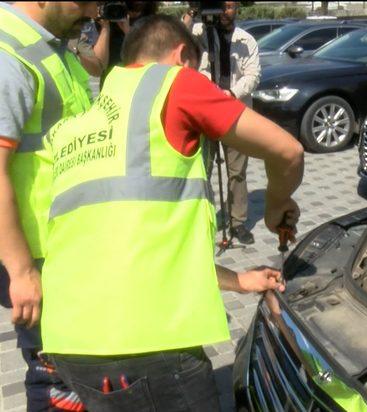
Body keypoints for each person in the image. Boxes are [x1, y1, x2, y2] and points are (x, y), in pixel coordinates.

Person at [38, 14, 303, 411]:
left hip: (67, 343)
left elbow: (131, 248)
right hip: (145, 344)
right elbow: (288, 150)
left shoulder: (74, 130)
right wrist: (279, 206)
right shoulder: (174, 82)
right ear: (182, 57)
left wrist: (239, 280)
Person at [0, 2, 96, 410]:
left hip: (64, 249)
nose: (93, 7)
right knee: (55, 380)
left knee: (74, 375)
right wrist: (21, 271)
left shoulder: (51, 46)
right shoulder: (10, 55)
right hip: (39, 257)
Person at [184, 1, 261, 244]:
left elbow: (253, 75)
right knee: (202, 170)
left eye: (230, 6)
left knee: (237, 172)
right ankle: (202, 219)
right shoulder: (197, 33)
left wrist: (229, 95)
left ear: (236, 8)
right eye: (221, 5)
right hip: (204, 113)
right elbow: (178, 49)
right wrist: (192, 13)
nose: (225, 11)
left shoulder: (246, 40)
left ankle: (237, 222)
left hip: (234, 112)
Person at [99, 1, 158, 87]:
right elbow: (99, 65)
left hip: (140, 81)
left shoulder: (152, 21)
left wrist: (128, 31)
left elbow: (152, 54)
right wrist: (105, 27)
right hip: (112, 81)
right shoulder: (110, 17)